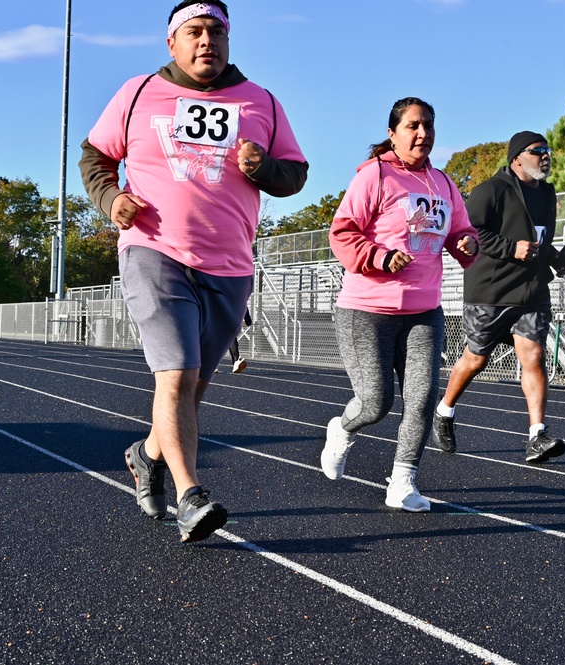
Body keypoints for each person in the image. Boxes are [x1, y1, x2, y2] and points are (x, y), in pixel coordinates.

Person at [80, 0, 307, 542]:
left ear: (229, 40)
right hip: (154, 250)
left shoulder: (262, 102)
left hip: (229, 263)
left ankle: (146, 452)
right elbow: (95, 155)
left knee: (194, 387)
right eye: (195, 32)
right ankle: (190, 495)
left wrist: (264, 167)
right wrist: (111, 199)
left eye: (216, 32)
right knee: (177, 375)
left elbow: (294, 174)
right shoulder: (138, 93)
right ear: (172, 44)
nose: (207, 42)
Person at [319, 97, 480, 512]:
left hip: (424, 311)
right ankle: (341, 428)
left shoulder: (443, 184)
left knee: (423, 399)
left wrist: (466, 243)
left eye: (428, 125)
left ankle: (402, 482)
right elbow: (342, 232)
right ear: (393, 133)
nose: (422, 133)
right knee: (376, 402)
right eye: (412, 126)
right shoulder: (374, 176)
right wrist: (381, 257)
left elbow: (461, 232)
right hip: (367, 310)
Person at [432, 131, 565, 464]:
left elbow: (537, 241)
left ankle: (537, 435)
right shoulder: (490, 190)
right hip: (491, 291)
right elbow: (469, 232)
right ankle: (444, 411)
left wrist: (556, 259)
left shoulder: (547, 195)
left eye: (547, 151)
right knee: (476, 359)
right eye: (537, 151)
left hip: (532, 289)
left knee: (534, 355)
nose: (546, 156)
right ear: (516, 158)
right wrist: (511, 249)